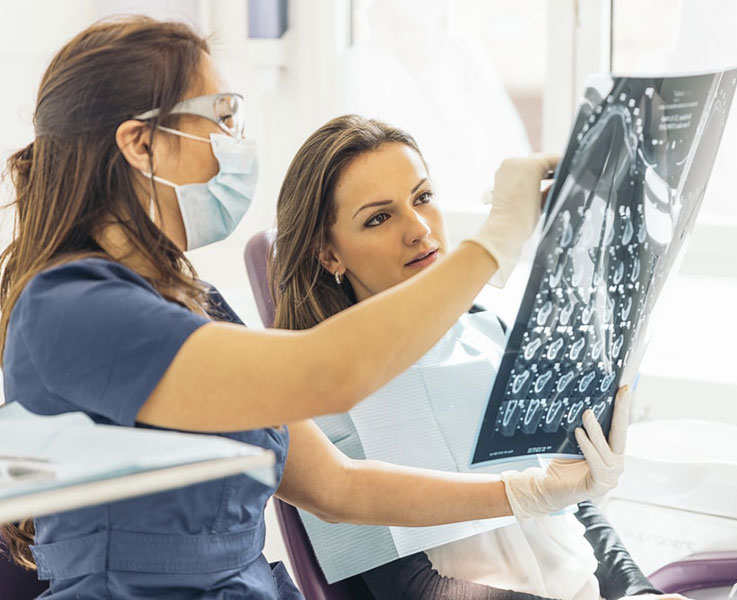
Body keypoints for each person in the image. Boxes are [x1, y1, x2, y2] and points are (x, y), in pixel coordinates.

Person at [0, 17, 625, 599]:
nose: (235, 142)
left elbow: (338, 487)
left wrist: (534, 491)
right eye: (220, 116)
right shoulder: (72, 310)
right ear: (141, 144)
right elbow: (329, 373)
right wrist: (496, 241)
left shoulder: (192, 303)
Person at [270, 114, 666, 600]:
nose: (418, 229)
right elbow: (414, 590)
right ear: (330, 255)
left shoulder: (487, 332)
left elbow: (571, 501)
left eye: (422, 198)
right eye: (379, 217)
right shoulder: (329, 396)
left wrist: (639, 592)